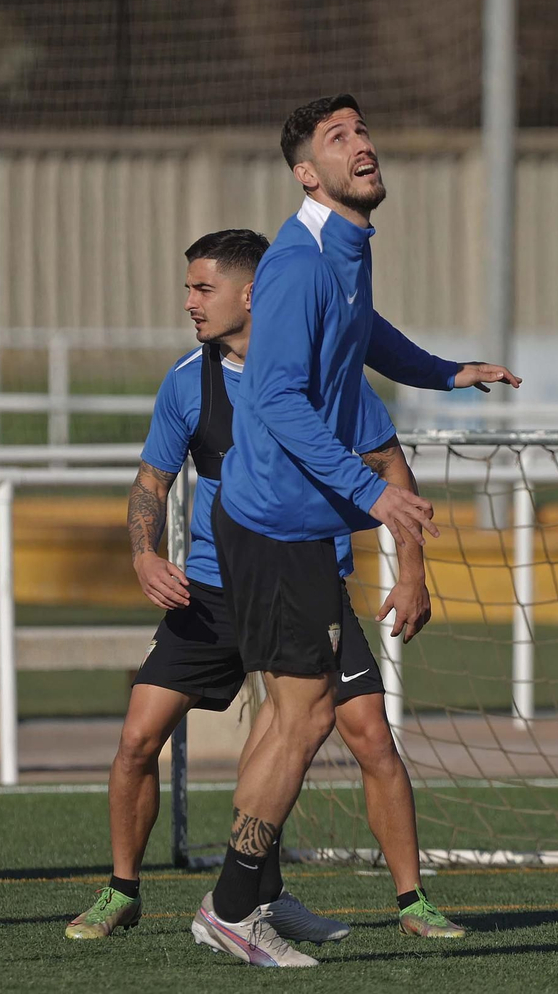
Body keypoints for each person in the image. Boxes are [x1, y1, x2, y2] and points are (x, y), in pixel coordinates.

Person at [191, 95, 520, 968]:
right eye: (339, 138)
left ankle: (247, 894)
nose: (362, 145)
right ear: (308, 172)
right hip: (275, 521)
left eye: (362, 130)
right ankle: (231, 907)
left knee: (290, 716)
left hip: (288, 525)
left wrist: (447, 372)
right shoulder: (297, 262)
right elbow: (274, 397)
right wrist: (368, 495)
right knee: (302, 717)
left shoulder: (343, 250)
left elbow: (363, 332)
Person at [66, 229, 467, 944]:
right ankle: (122, 890)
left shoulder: (326, 373)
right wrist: (144, 553)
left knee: (369, 734)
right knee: (137, 737)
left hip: (305, 585)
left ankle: (409, 904)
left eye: (202, 287)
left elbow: (389, 464)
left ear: (252, 294)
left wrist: (412, 571)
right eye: (188, 287)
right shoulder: (188, 379)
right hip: (212, 596)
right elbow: (151, 481)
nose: (189, 301)